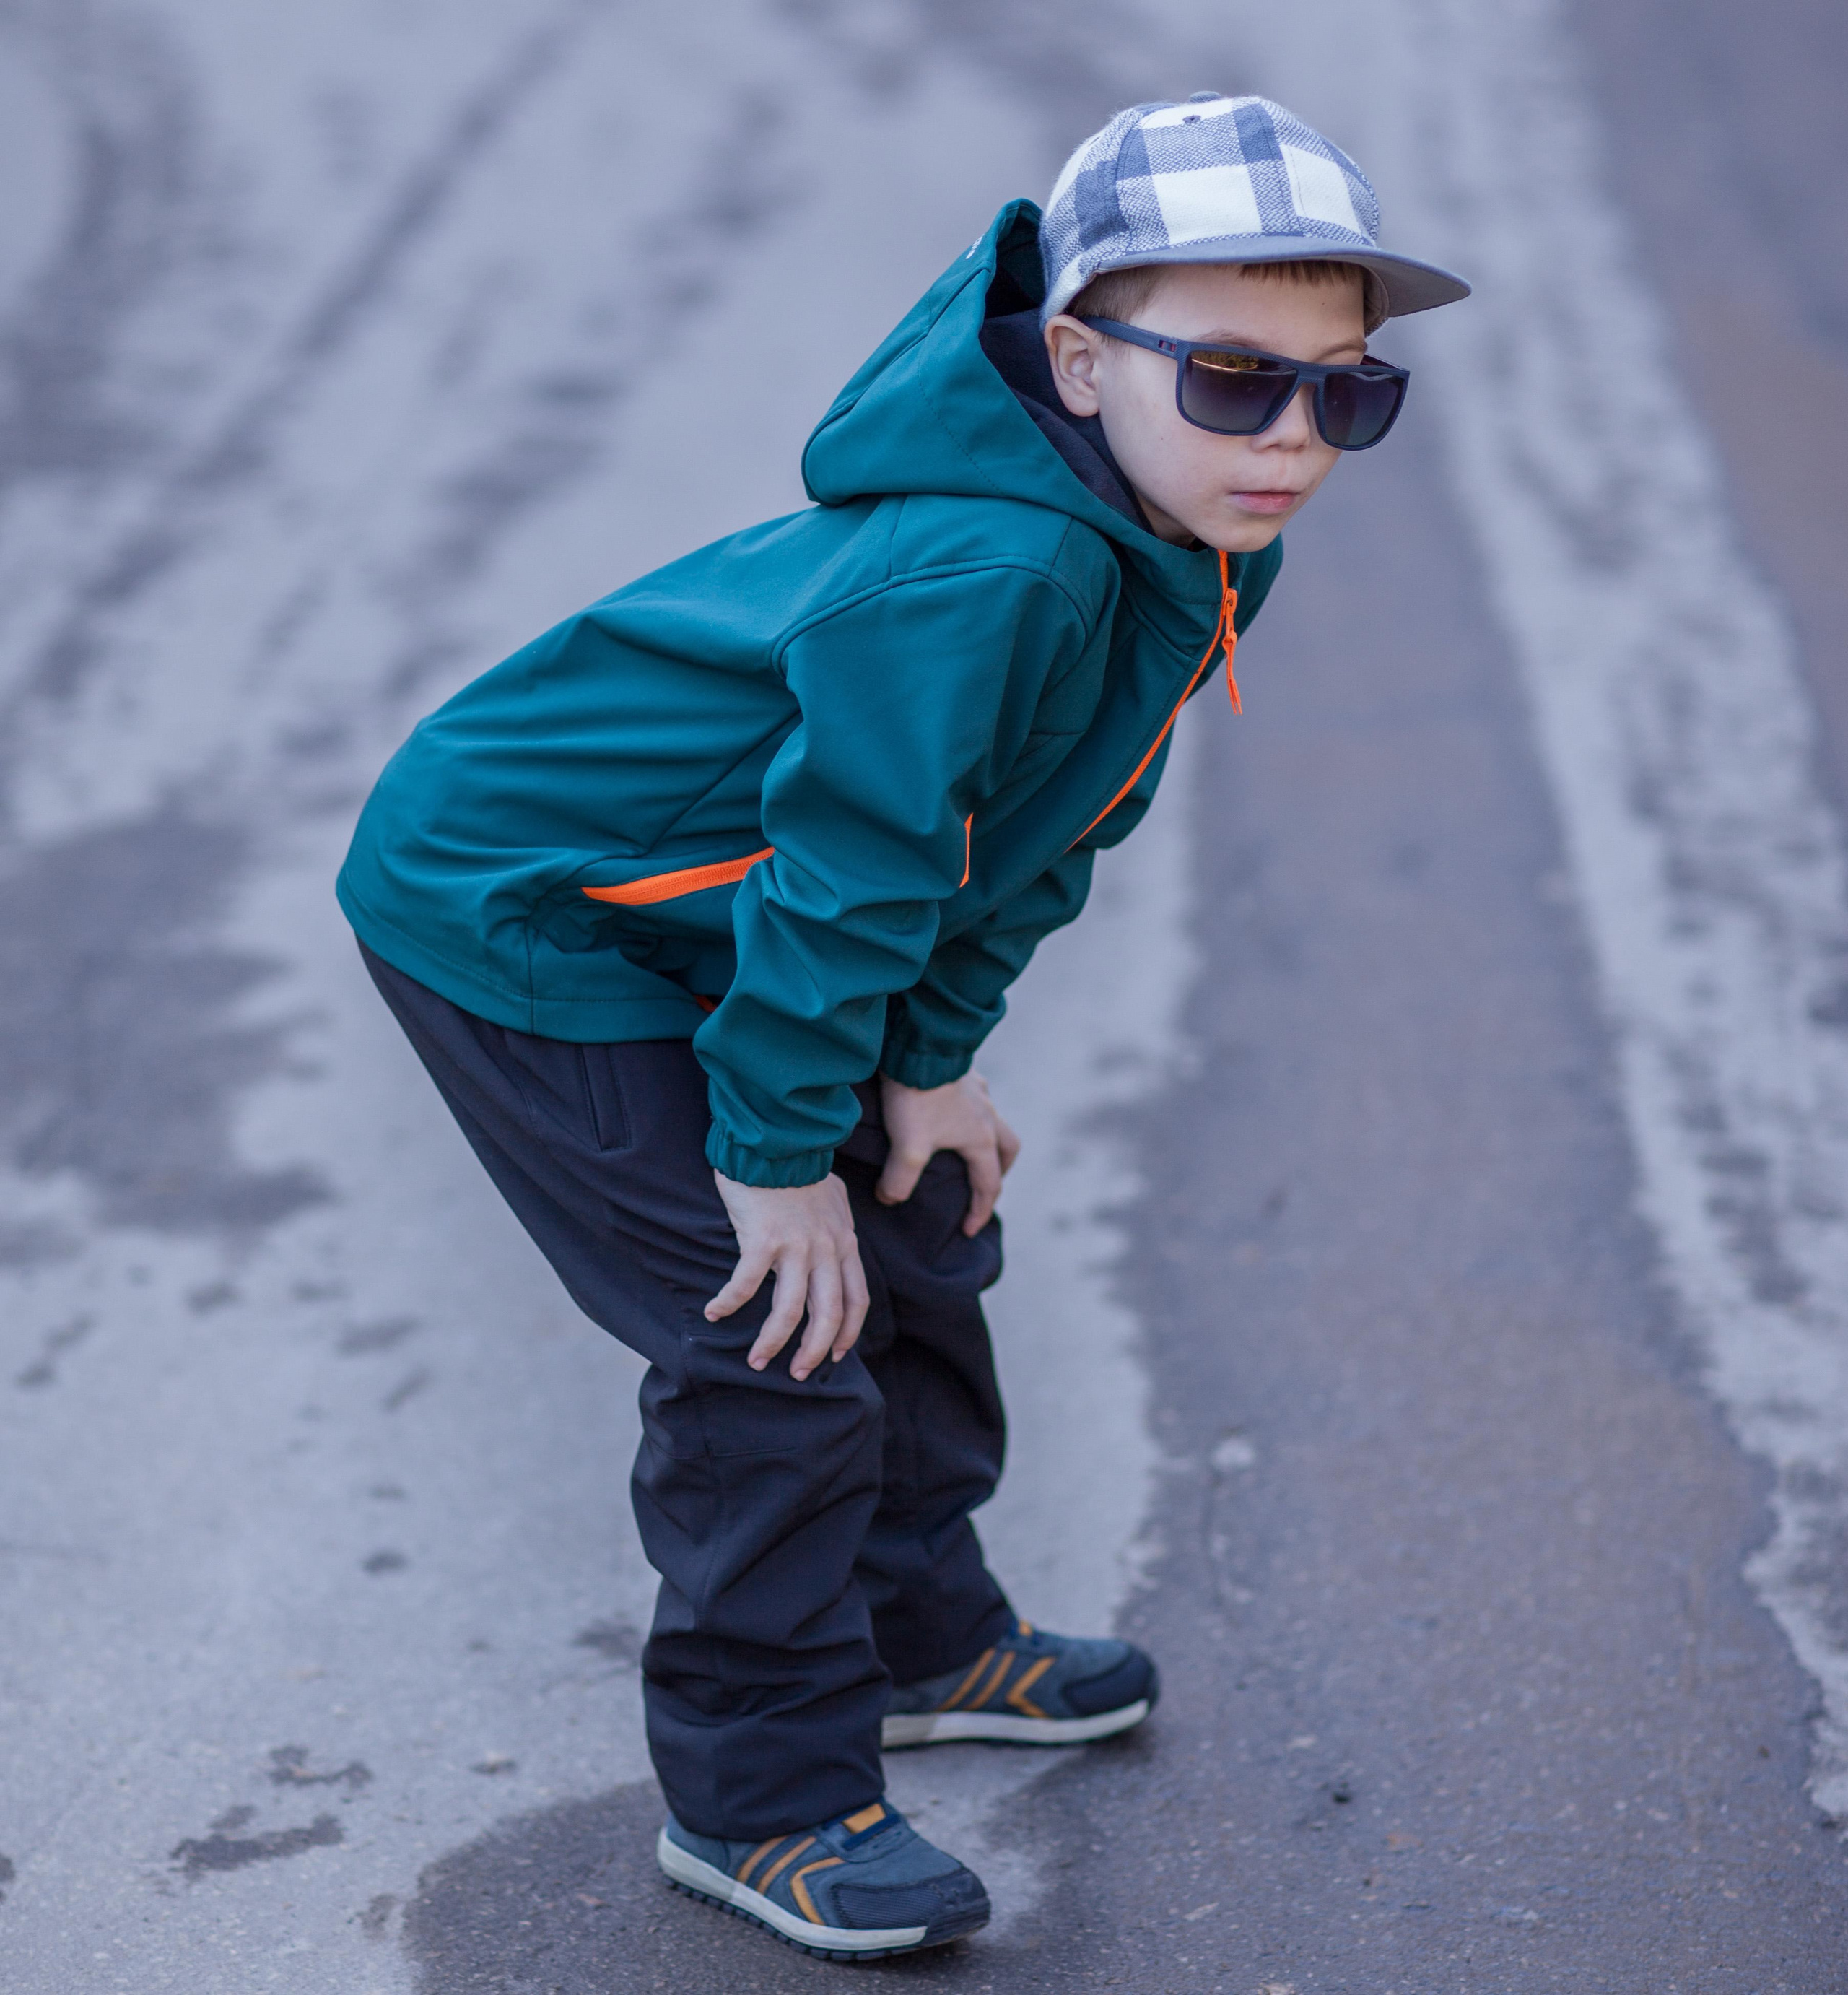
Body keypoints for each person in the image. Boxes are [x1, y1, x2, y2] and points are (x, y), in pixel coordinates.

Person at [337, 92, 1468, 1962]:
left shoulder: (1191, 548)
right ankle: (763, 1798)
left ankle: (918, 1636)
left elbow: (1036, 833)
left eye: (1347, 394)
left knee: (920, 1224)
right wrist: (775, 1155)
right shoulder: (990, 564)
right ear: (1084, 358)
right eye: (1239, 383)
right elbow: (851, 857)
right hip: (523, 905)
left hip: (732, 901)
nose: (1293, 440)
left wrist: (926, 1061)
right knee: (766, 1326)